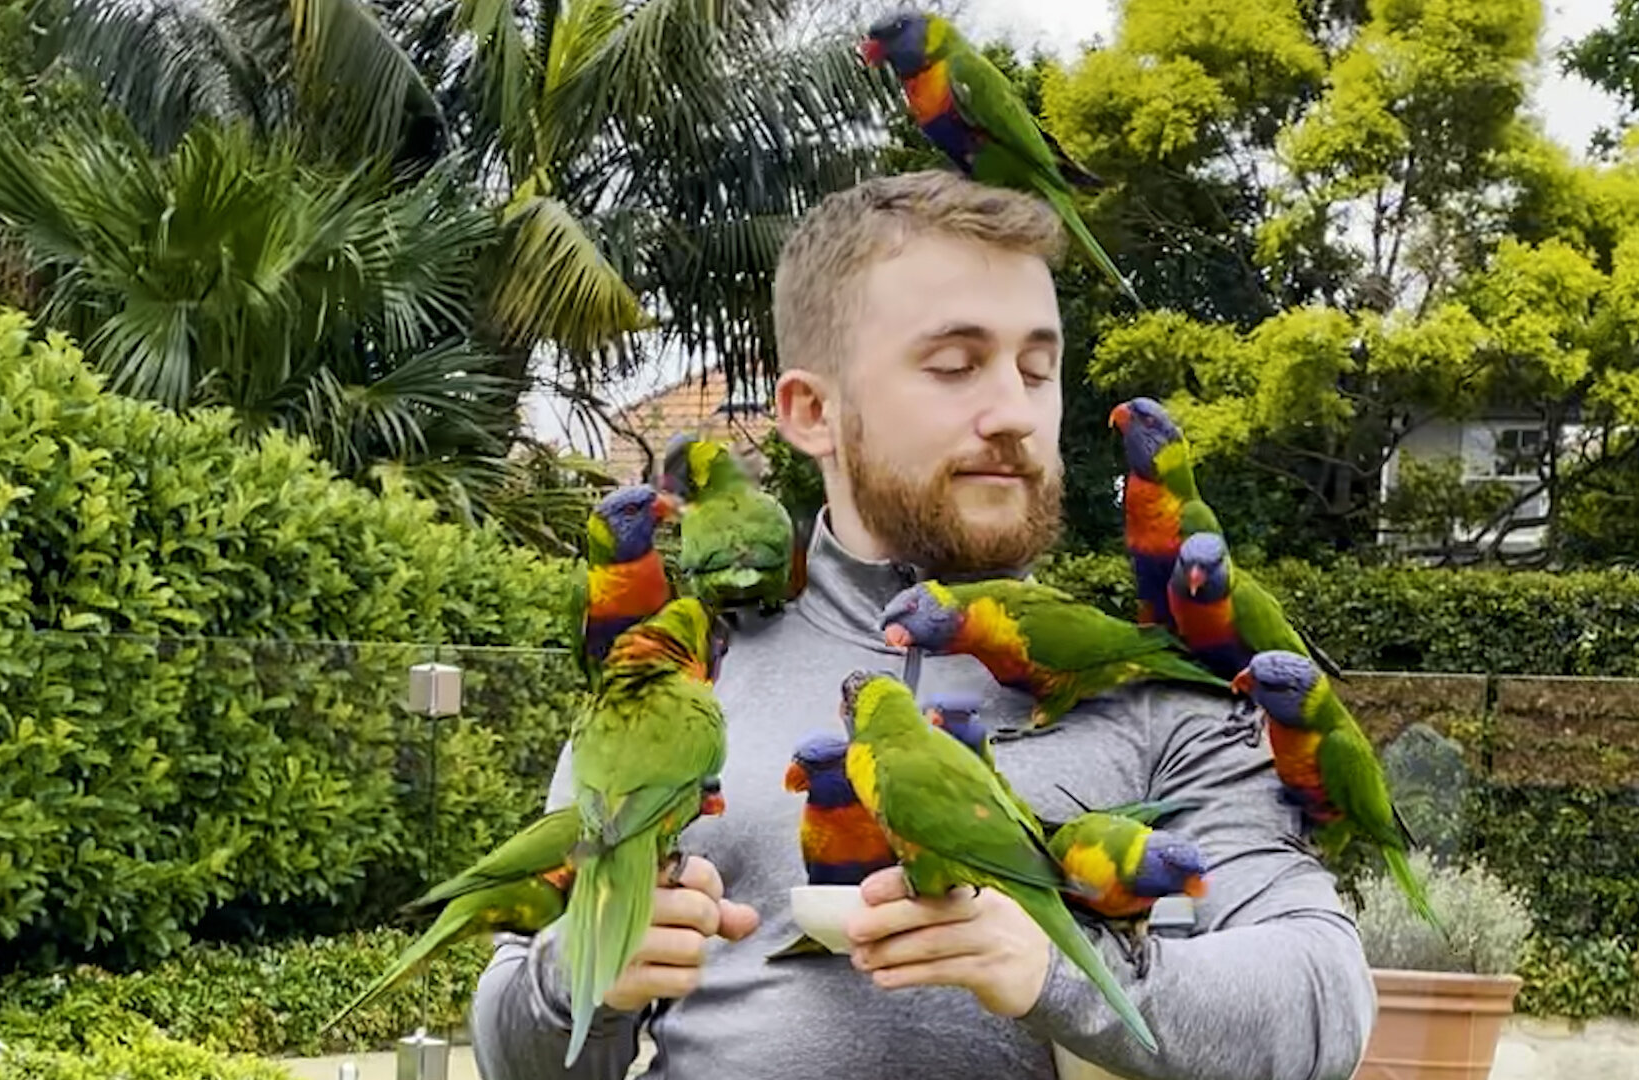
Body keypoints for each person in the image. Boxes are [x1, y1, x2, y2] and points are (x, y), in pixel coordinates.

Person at [470, 170, 1377, 1080]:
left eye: (1038, 368)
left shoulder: (1160, 694)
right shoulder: (679, 674)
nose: (1015, 414)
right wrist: (577, 973)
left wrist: (1058, 969)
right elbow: (515, 1050)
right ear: (812, 412)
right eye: (954, 365)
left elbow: (1322, 1004)